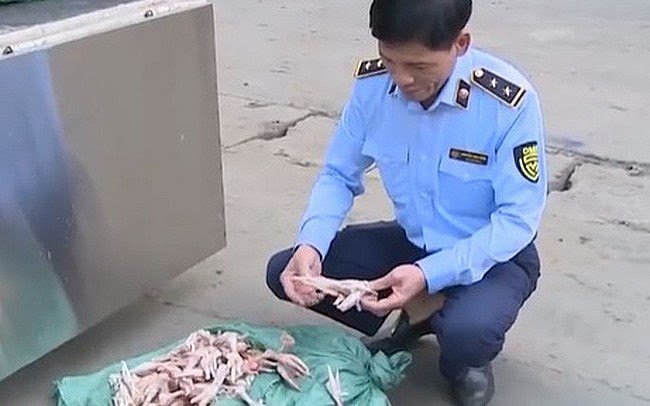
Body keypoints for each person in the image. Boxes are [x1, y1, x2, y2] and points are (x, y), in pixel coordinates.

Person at [266, 0, 547, 404]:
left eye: (418, 66)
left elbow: (517, 220)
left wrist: (427, 274)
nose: (401, 79)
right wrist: (311, 244)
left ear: (460, 44)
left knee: (469, 332)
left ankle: (463, 357)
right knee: (287, 272)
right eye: (389, 60)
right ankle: (423, 310)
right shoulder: (373, 88)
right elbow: (338, 175)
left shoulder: (506, 104)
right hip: (415, 242)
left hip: (494, 256)